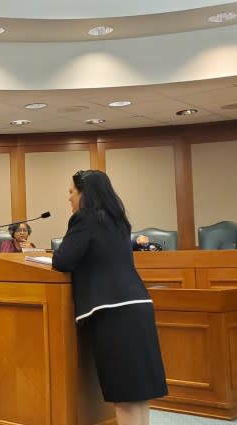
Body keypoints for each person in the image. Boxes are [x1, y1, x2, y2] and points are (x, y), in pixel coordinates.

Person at [51, 170, 167, 425]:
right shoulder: (118, 220)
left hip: (114, 312)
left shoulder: (84, 219)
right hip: (138, 305)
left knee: (123, 394)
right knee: (138, 393)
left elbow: (63, 261)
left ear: (84, 193)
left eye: (71, 192)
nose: (69, 198)